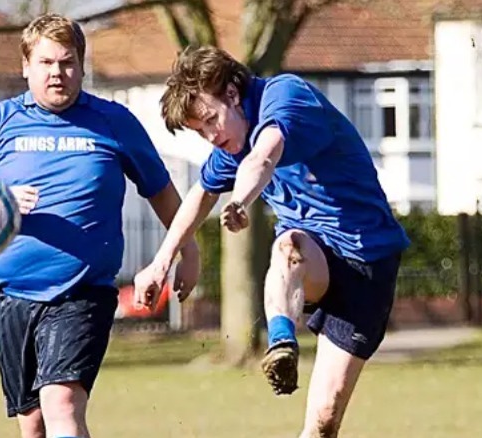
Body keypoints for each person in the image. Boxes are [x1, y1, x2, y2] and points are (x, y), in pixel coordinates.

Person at [133, 45, 409, 438]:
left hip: (368, 259)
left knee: (324, 420)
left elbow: (263, 157)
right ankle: (281, 344)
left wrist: (241, 201)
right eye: (201, 131)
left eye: (211, 120)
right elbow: (201, 193)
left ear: (232, 92)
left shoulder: (286, 98)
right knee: (288, 248)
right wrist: (162, 261)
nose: (212, 137)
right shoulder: (232, 137)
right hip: (313, 256)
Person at [0, 14, 200, 438]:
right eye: (47, 63)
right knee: (32, 425)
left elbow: (161, 190)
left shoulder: (112, 121)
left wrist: (189, 250)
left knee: (62, 403)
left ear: (82, 66)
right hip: (12, 296)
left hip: (83, 292)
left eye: (68, 63)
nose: (58, 73)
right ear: (25, 66)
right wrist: (2, 201)